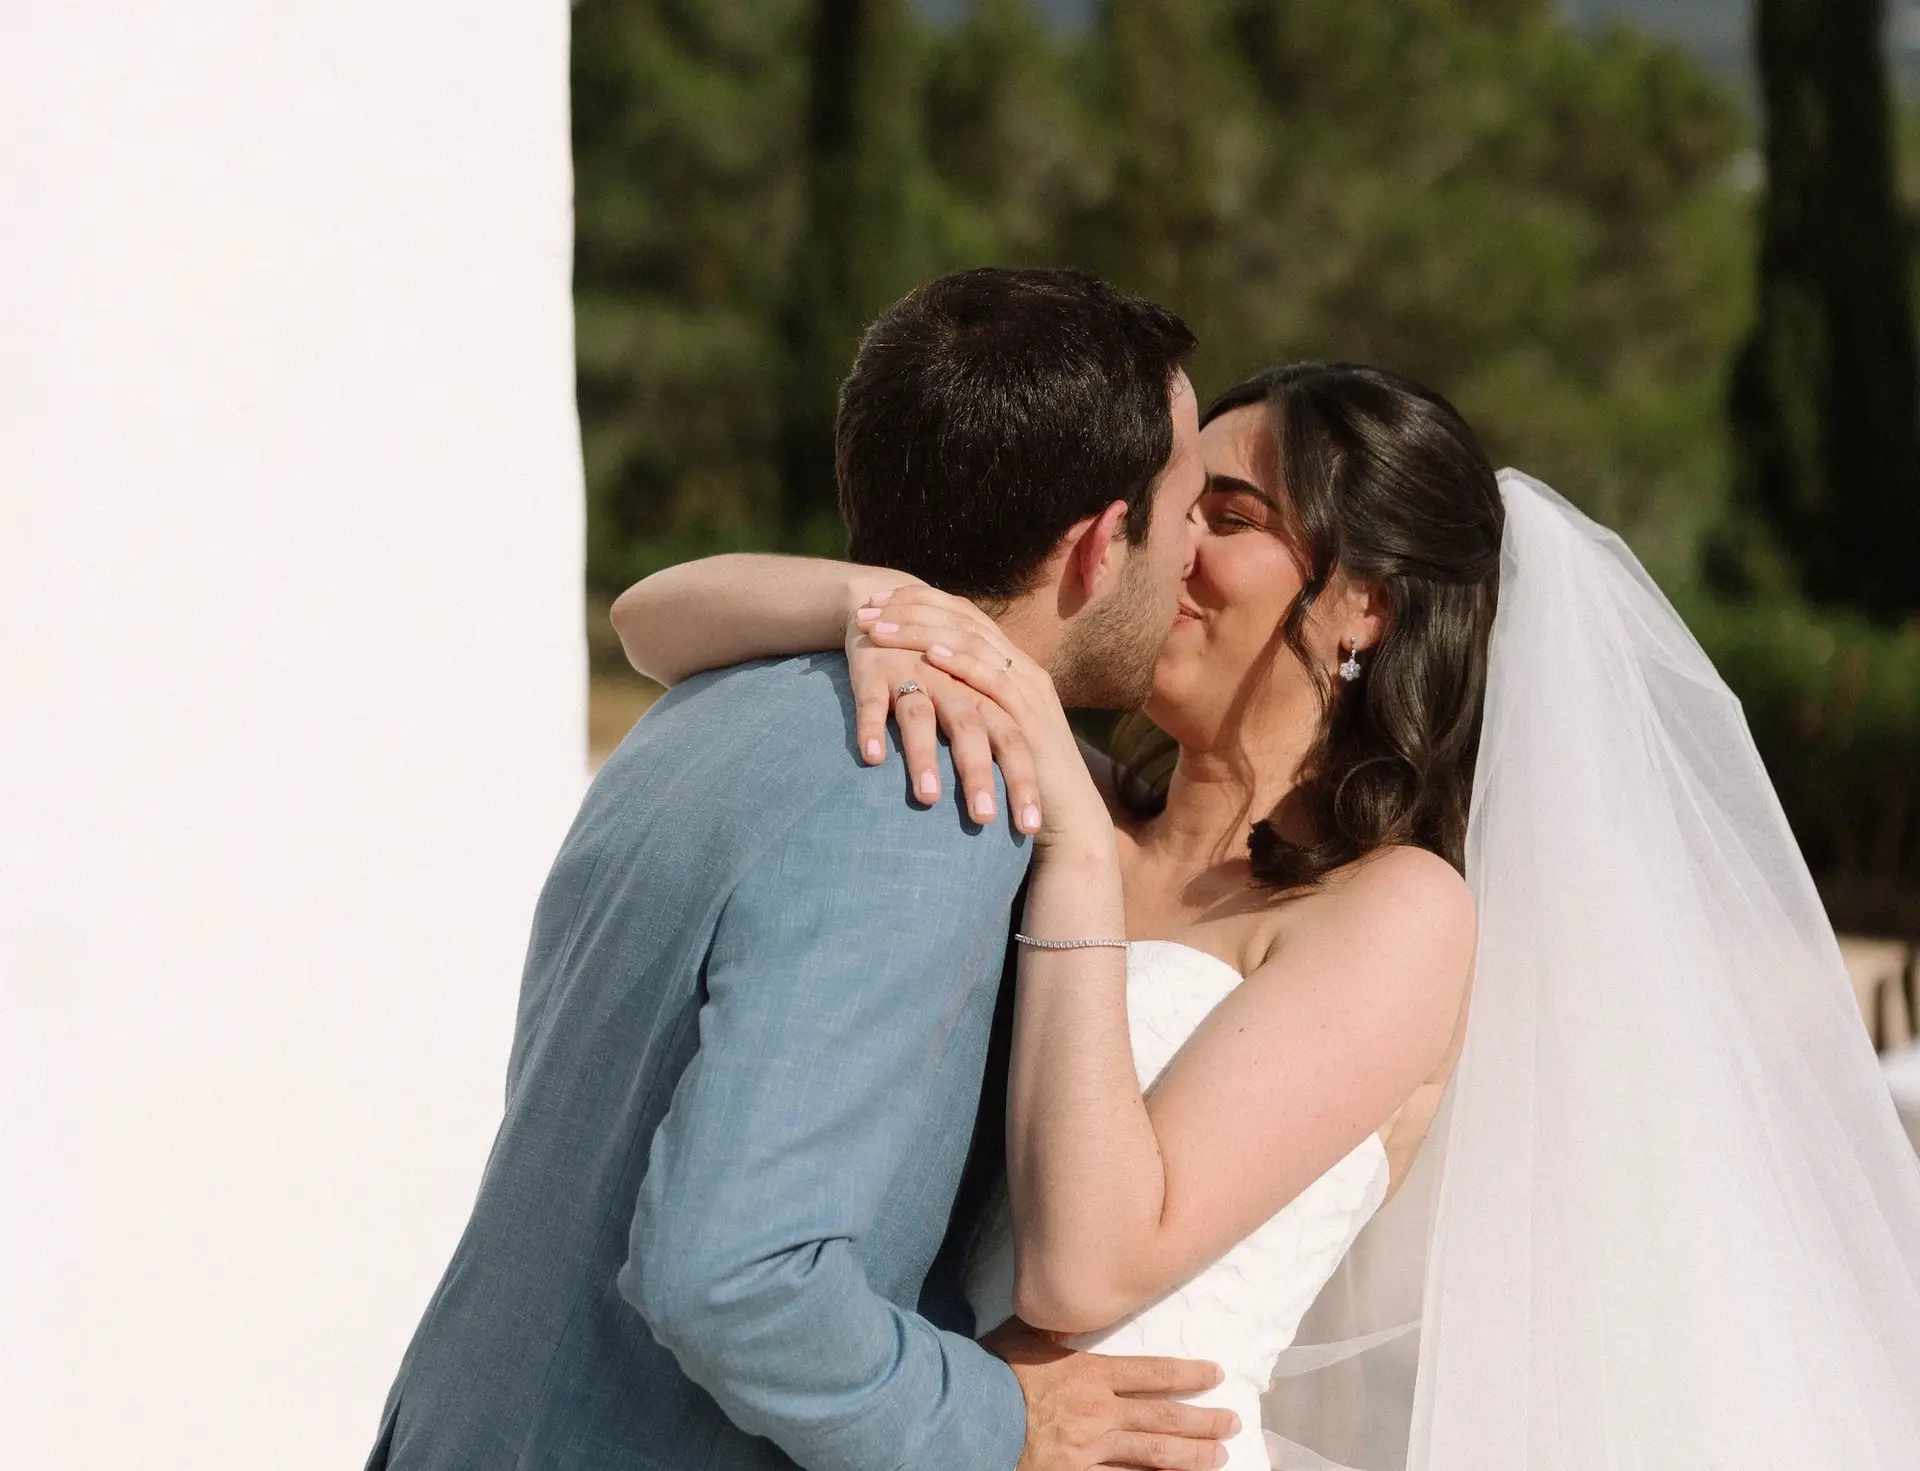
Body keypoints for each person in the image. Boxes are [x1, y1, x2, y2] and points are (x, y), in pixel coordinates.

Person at [616, 362, 1920, 1468]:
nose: (1170, 550)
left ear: (1363, 603)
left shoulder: (1398, 910)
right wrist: (895, 610)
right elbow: (655, 619)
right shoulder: (1062, 785)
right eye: (1179, 505)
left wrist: (1073, 856)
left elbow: (1086, 1266)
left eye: (1228, 513)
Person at [365, 267, 1239, 1471]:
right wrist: (1001, 1423)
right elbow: (734, 1275)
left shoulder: (711, 702)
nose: (1195, 551)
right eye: (1190, 505)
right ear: (1098, 546)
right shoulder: (930, 785)